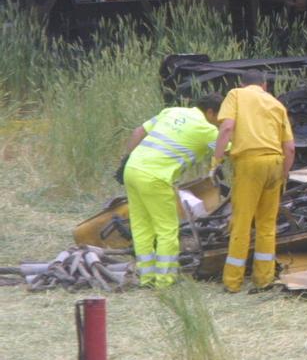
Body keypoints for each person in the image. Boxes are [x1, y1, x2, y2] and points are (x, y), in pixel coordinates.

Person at [118, 93, 223, 288]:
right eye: (220, 117)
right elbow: (230, 149)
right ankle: (165, 280)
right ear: (210, 112)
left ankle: (146, 277)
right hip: (155, 177)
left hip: (132, 170)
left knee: (142, 226)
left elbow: (138, 131)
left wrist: (126, 160)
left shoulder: (172, 111)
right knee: (166, 230)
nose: (220, 123)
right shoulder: (207, 130)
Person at [211, 70, 296, 293]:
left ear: (242, 83)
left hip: (250, 164)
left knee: (241, 222)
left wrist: (216, 160)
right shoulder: (276, 104)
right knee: (267, 225)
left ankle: (232, 282)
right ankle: (264, 278)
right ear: (265, 85)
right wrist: (284, 174)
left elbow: (227, 127)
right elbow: (290, 148)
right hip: (275, 163)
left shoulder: (236, 94)